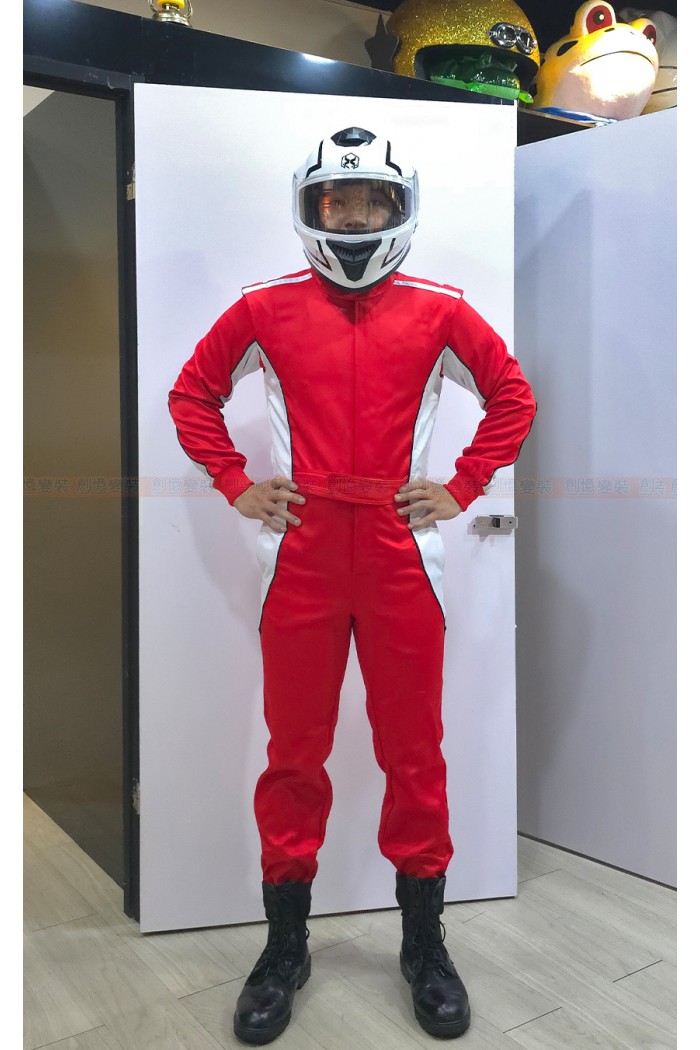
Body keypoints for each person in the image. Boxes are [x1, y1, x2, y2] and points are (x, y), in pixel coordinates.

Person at [168, 126, 536, 1045]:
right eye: (340, 202)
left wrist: (460, 487)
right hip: (300, 554)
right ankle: (284, 949)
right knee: (294, 755)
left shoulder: (441, 310)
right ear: (313, 207)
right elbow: (191, 394)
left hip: (401, 553)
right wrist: (235, 482)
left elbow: (513, 397)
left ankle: (424, 946)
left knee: (415, 753)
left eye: (374, 201)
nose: (358, 218)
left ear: (399, 208)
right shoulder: (264, 308)